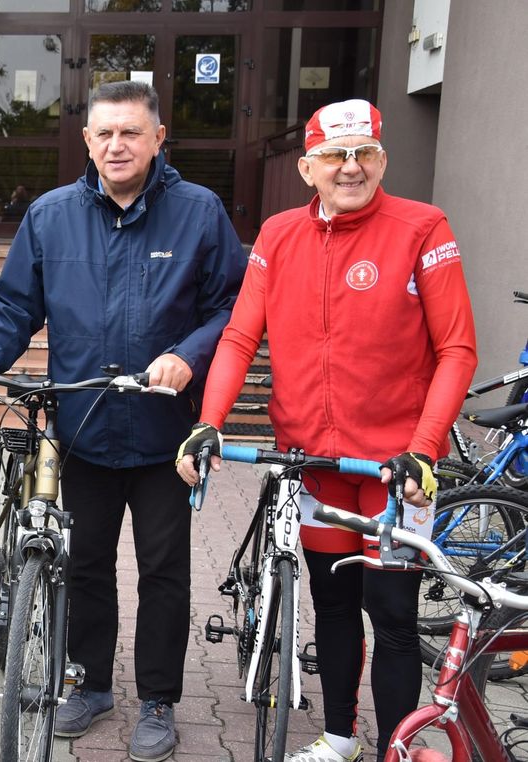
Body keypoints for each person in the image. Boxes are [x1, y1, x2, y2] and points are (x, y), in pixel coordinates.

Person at [0, 81, 245, 761]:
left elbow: (231, 308)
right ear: (86, 141)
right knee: (87, 567)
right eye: (104, 134)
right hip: (84, 429)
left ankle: (159, 698)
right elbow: (15, 308)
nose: (116, 146)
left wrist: (189, 356)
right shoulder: (51, 216)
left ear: (159, 137)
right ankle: (92, 684)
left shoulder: (199, 212)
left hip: (167, 434)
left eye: (131, 132)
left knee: (164, 571)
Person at [176, 99, 477, 762]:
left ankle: (395, 749)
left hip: (396, 473)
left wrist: (423, 448)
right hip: (315, 464)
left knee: (393, 616)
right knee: (333, 605)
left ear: (383, 160)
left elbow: (457, 349)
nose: (350, 167)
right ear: (308, 167)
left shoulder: (423, 227)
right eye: (335, 156)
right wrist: (209, 423)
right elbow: (237, 336)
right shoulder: (279, 237)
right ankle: (340, 737)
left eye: (364, 152)